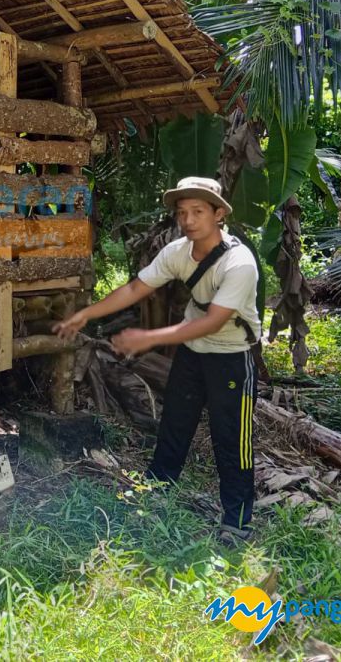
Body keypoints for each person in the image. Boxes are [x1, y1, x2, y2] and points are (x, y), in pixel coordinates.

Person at [53, 176, 261, 543]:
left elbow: (213, 321)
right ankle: (154, 495)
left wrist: (147, 338)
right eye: (183, 212)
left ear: (218, 215)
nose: (189, 220)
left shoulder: (239, 263)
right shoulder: (178, 251)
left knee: (232, 438)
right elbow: (137, 288)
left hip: (231, 357)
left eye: (198, 211)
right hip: (193, 356)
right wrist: (86, 314)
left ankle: (237, 520)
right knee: (174, 425)